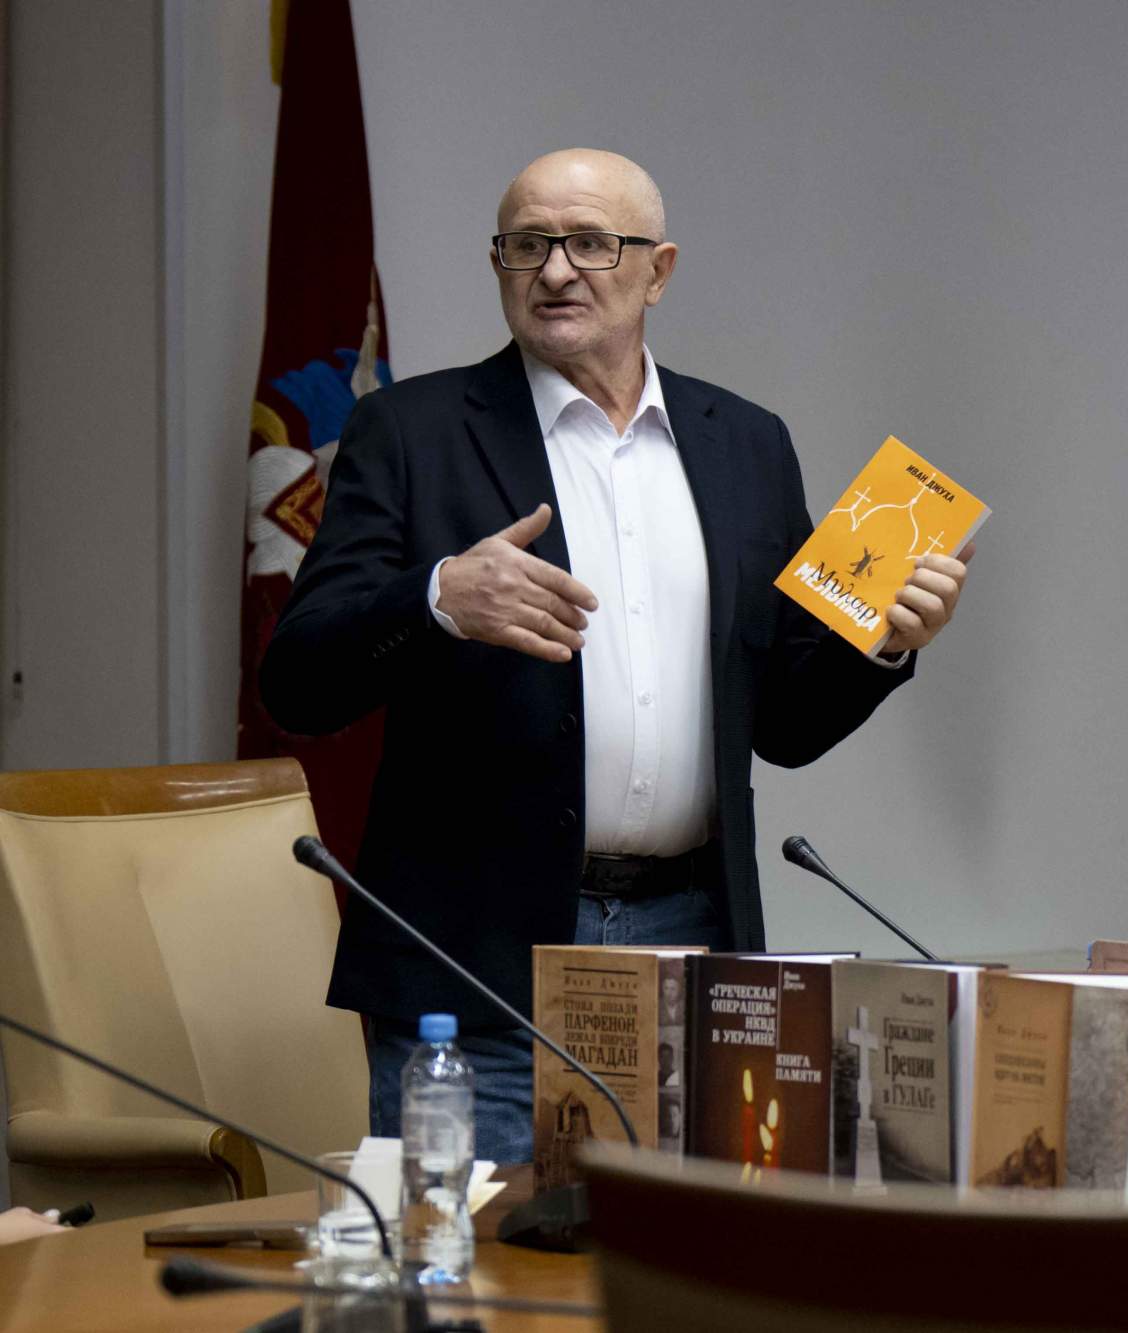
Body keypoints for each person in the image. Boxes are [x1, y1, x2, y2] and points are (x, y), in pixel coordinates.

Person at [262, 149, 972, 1162]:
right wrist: (436, 597)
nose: (556, 270)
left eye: (591, 243)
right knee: (485, 1254)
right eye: (527, 245)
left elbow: (783, 722)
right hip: (479, 972)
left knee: (686, 1249)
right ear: (499, 264)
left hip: (694, 954)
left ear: (658, 271)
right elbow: (296, 683)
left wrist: (884, 645)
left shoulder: (746, 443)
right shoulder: (410, 431)